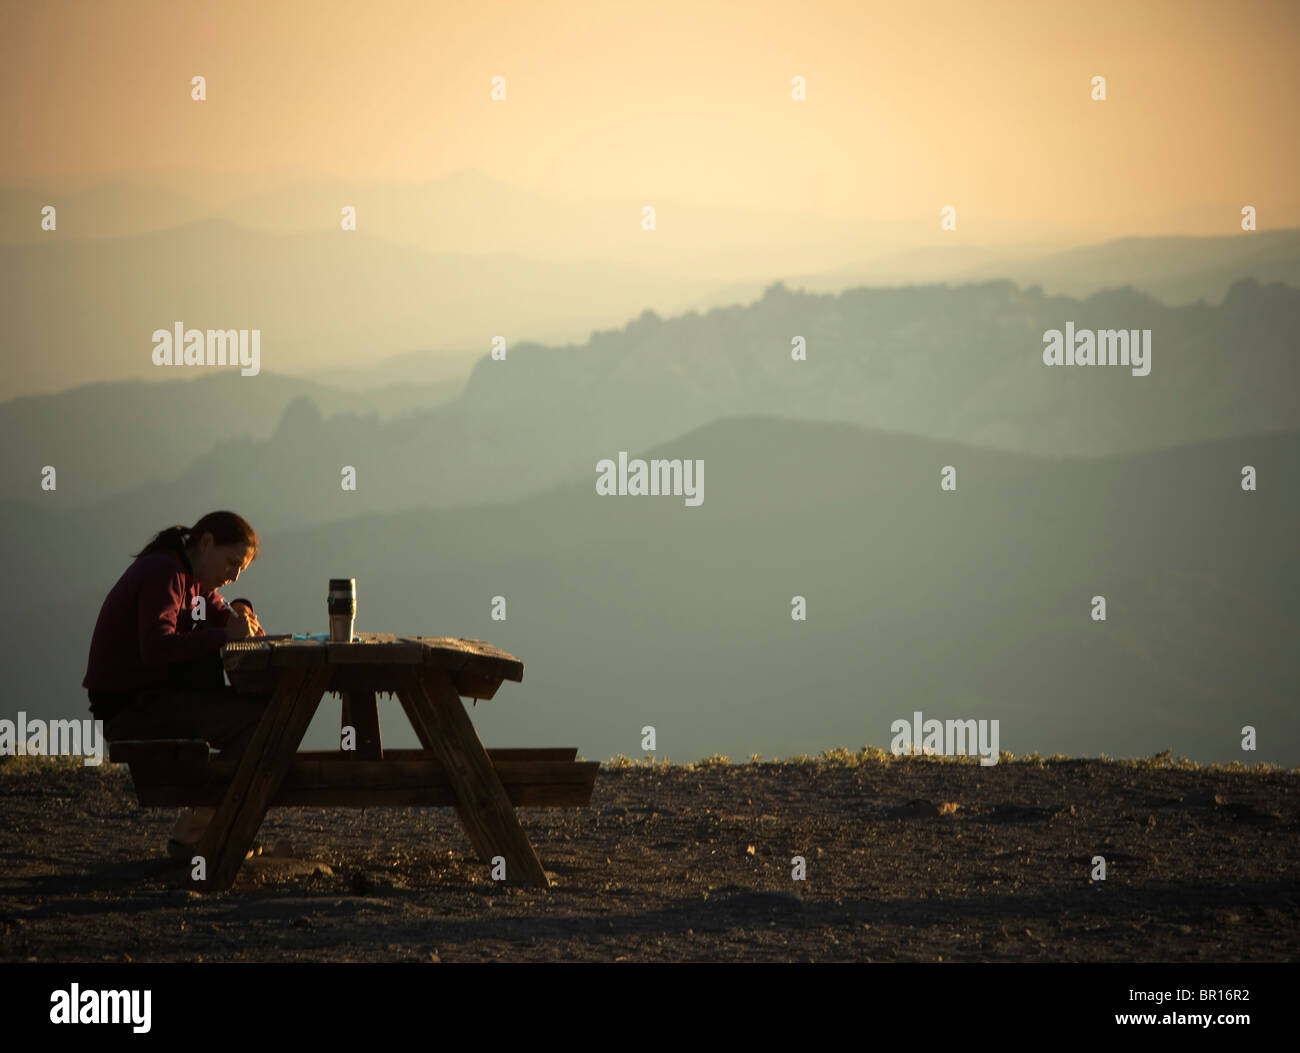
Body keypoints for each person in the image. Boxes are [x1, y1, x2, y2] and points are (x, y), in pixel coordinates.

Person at [83, 511, 270, 861]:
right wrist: (223, 635)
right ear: (207, 542)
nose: (232, 576)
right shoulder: (166, 573)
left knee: (263, 716)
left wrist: (240, 611)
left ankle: (207, 822)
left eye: (239, 571)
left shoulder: (190, 577)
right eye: (231, 563)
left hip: (149, 699)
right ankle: (202, 827)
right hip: (132, 708)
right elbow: (156, 647)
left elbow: (219, 611)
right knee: (262, 719)